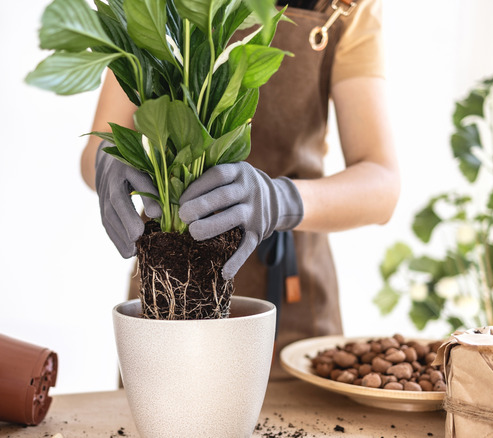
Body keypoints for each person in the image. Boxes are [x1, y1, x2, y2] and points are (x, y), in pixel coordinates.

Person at [80, 0, 399, 379]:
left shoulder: (346, 6)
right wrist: (107, 160)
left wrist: (279, 201)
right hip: (168, 293)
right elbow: (96, 149)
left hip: (288, 294)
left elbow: (382, 183)